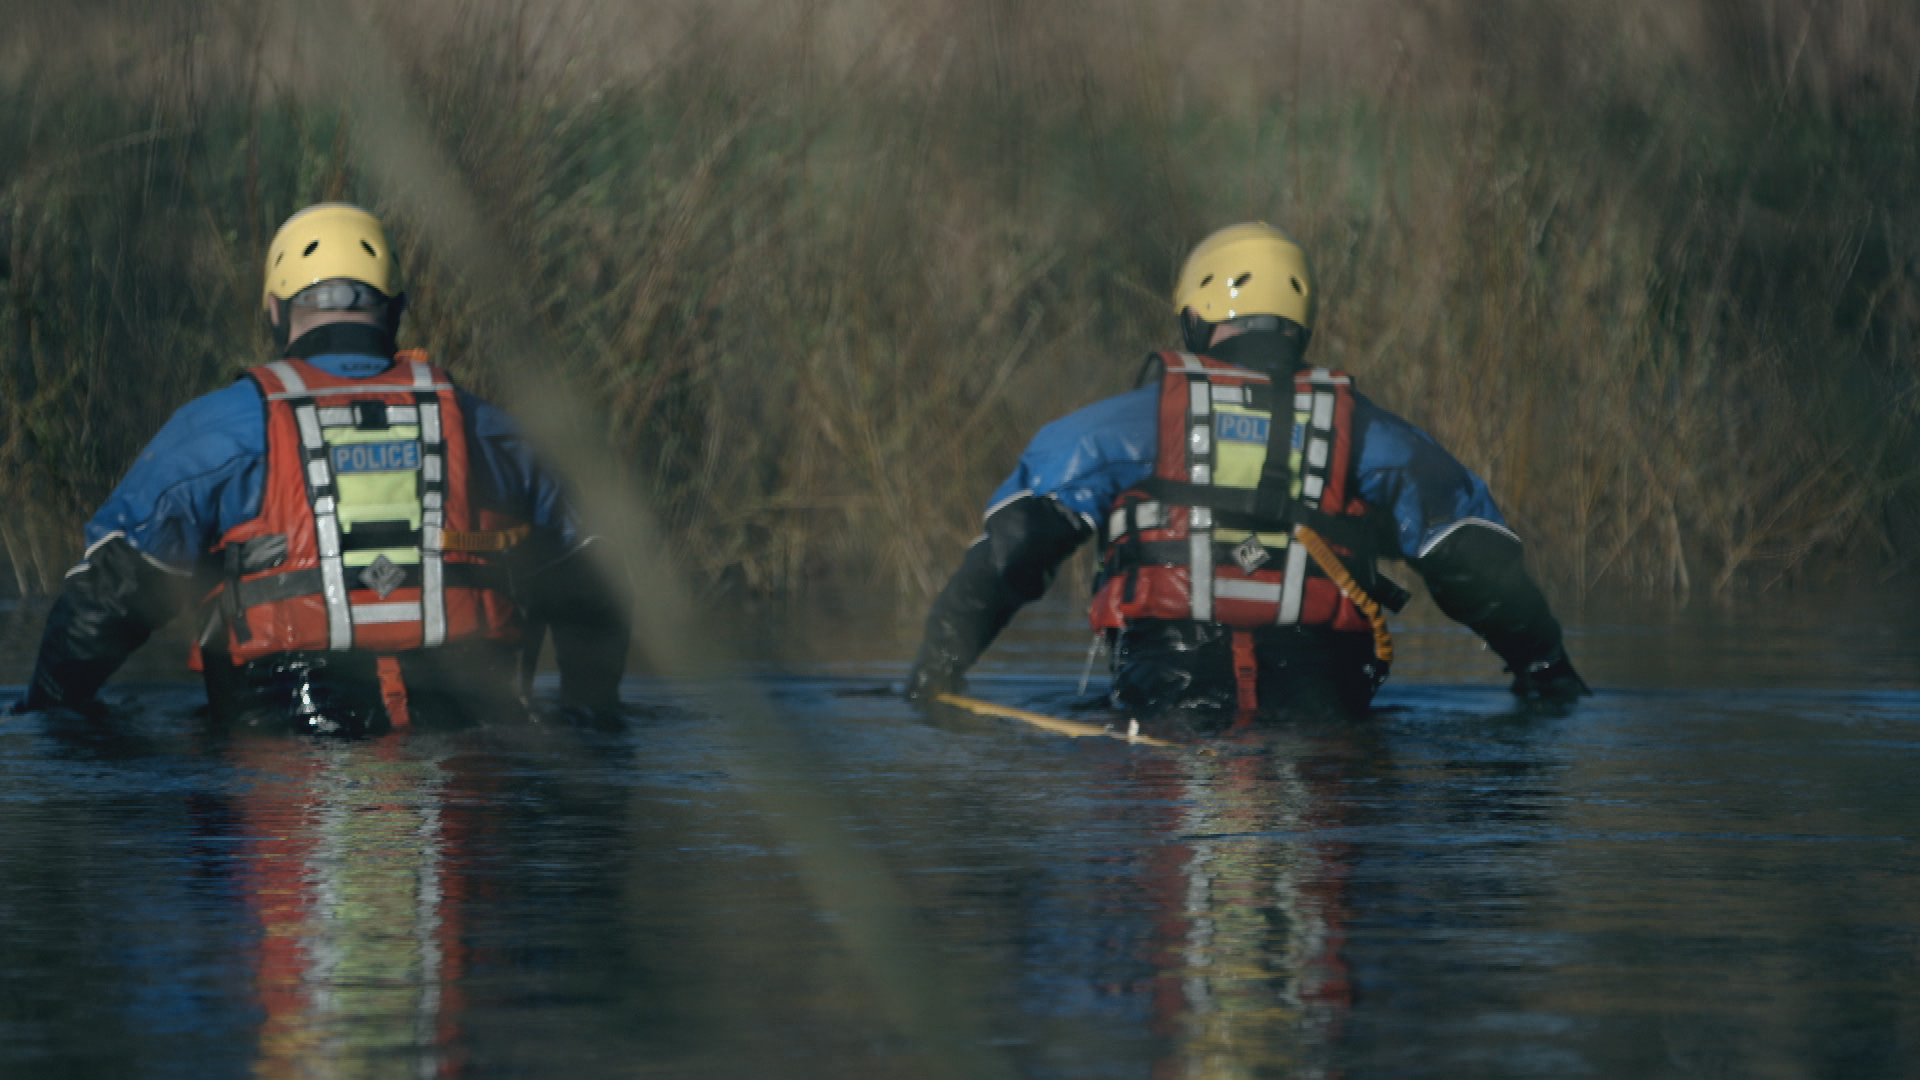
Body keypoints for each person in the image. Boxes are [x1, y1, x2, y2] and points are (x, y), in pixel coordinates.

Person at [906, 223, 1587, 723]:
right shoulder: (1375, 438)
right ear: (1303, 320)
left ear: (1194, 313)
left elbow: (1014, 547)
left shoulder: (1118, 428)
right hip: (1323, 706)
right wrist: (1544, 667)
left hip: (1169, 696)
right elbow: (1473, 560)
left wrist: (938, 667)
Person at [12, 203, 629, 733]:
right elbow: (595, 586)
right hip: (466, 749)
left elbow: (104, 602)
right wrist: (588, 712)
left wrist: (46, 713)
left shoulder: (215, 432)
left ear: (276, 312)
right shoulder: (488, 430)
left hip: (280, 752)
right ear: (397, 310)